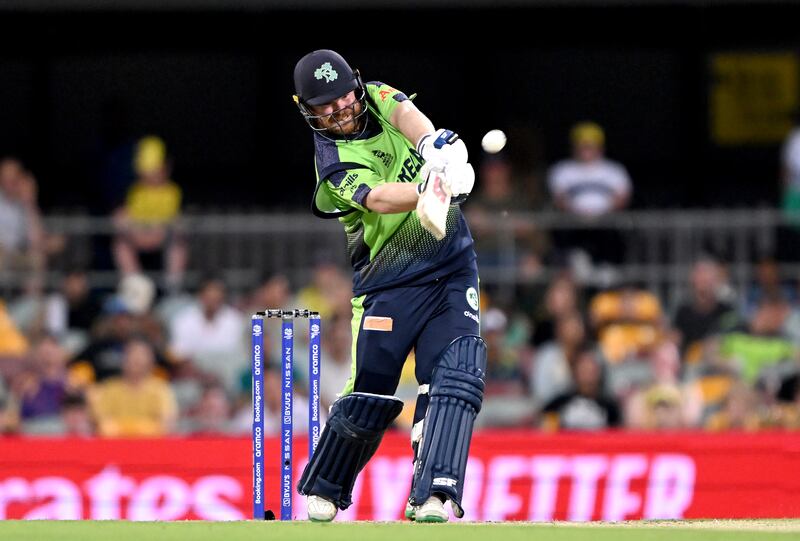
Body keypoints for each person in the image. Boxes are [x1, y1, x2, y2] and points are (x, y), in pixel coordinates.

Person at [291, 49, 485, 523]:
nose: (340, 111)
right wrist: (430, 191)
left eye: (344, 98)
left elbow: (408, 115)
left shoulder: (376, 96)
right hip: (388, 284)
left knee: (456, 375)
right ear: (307, 110)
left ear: (355, 86)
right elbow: (376, 198)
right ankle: (327, 484)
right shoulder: (331, 161)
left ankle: (434, 493)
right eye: (326, 107)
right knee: (373, 390)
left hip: (452, 268)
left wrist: (434, 151)